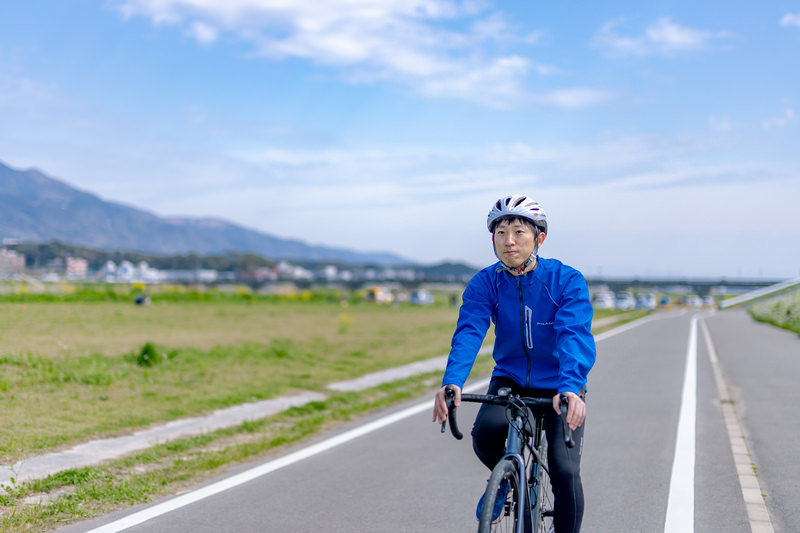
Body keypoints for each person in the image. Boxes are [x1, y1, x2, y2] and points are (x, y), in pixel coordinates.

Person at [432, 194, 596, 533]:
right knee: (485, 436)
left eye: (519, 231)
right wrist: (453, 382)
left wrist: (569, 388)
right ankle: (507, 479)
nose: (509, 241)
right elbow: (468, 333)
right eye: (501, 232)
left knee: (565, 471)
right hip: (511, 377)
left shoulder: (565, 280)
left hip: (560, 383)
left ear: (540, 238)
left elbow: (573, 337)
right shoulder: (485, 283)